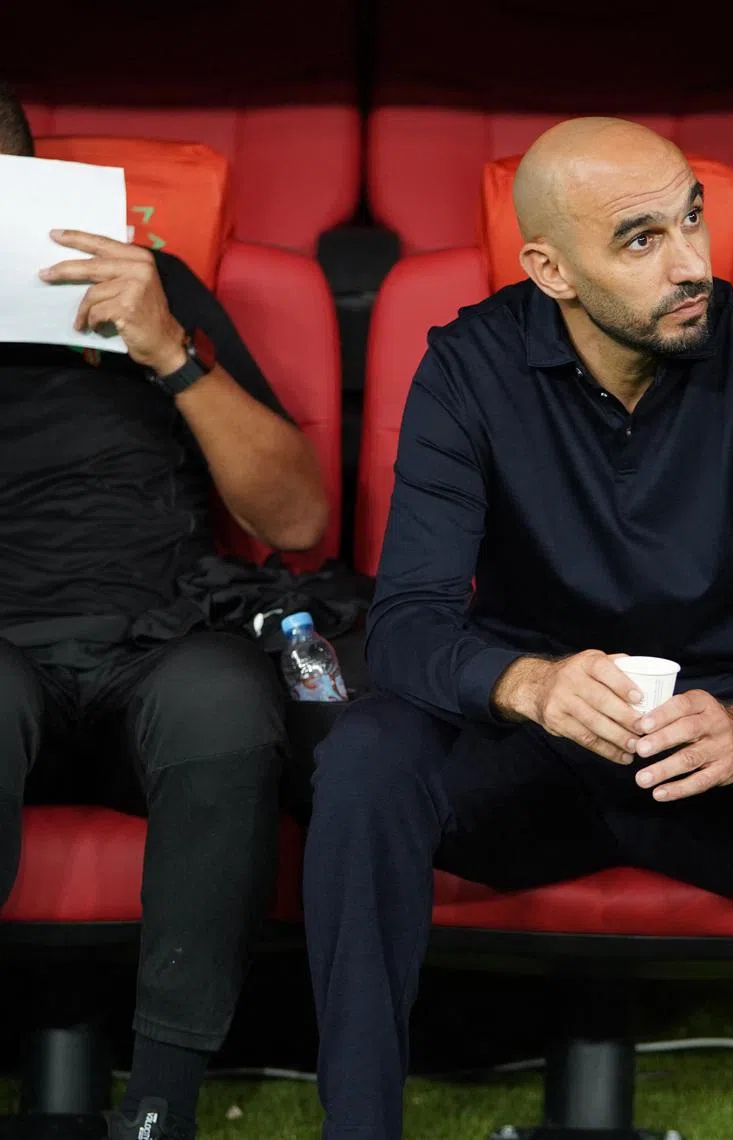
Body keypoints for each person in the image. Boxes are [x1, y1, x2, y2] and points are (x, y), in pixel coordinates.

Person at [304, 117, 733, 1140]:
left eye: (692, 219)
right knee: (366, 758)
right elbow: (408, 628)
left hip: (731, 765)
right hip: (532, 760)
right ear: (550, 270)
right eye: (643, 239)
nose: (694, 262)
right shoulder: (468, 368)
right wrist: (529, 685)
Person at [0, 84, 329, 1140]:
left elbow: (301, 517)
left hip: (159, 633)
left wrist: (169, 350)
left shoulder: (158, 291)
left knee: (224, 702)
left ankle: (161, 1109)